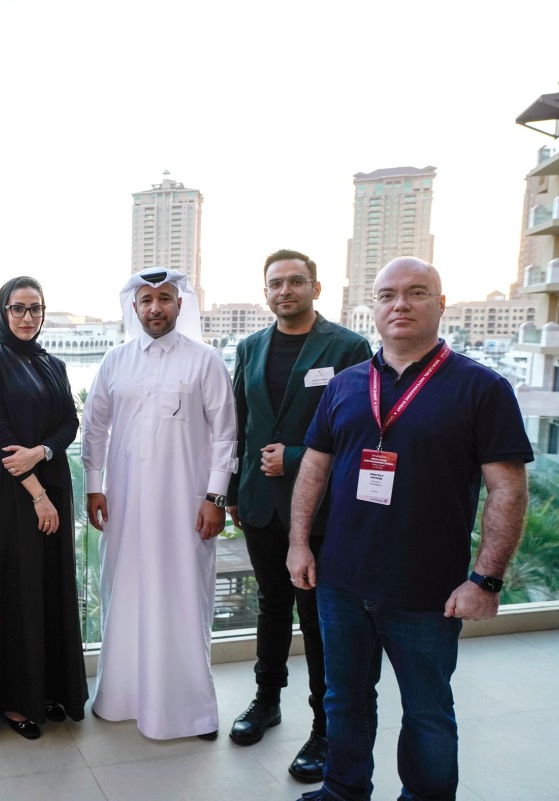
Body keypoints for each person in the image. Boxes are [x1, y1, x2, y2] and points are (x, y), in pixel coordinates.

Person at [287, 257, 531, 801]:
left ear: (440, 305)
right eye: (387, 294)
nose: (400, 304)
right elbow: (315, 468)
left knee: (427, 712)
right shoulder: (347, 384)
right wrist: (299, 543)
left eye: (416, 293)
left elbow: (508, 489)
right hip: (342, 580)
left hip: (429, 588)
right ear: (372, 306)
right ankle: (344, 791)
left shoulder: (481, 388)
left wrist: (486, 579)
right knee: (344, 700)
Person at [225, 250, 371, 780]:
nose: (285, 290)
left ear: (316, 287)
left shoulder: (347, 347)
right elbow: (239, 427)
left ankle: (324, 728)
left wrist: (291, 458)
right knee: (270, 606)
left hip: (321, 508)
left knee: (316, 619)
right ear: (266, 293)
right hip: (260, 503)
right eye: (275, 284)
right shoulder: (250, 347)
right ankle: (267, 702)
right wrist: (231, 493)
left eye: (295, 281)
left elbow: (358, 431)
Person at [81, 269, 237, 740]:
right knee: (124, 592)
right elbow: (95, 428)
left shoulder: (205, 361)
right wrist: (93, 485)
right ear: (134, 307)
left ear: (179, 305)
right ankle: (121, 698)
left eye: (165, 299)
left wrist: (215, 497)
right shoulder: (115, 361)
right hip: (125, 504)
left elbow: (226, 434)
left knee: (183, 597)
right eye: (146, 299)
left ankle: (190, 711)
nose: (155, 308)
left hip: (185, 505)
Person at [0, 276, 88, 740]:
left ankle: (52, 688)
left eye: (34, 309)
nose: (26, 317)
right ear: (3, 312)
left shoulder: (53, 364)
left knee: (51, 589)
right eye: (17, 309)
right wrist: (37, 493)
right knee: (17, 593)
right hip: (12, 496)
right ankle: (18, 701)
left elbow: (69, 422)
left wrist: (41, 453)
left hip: (51, 488)